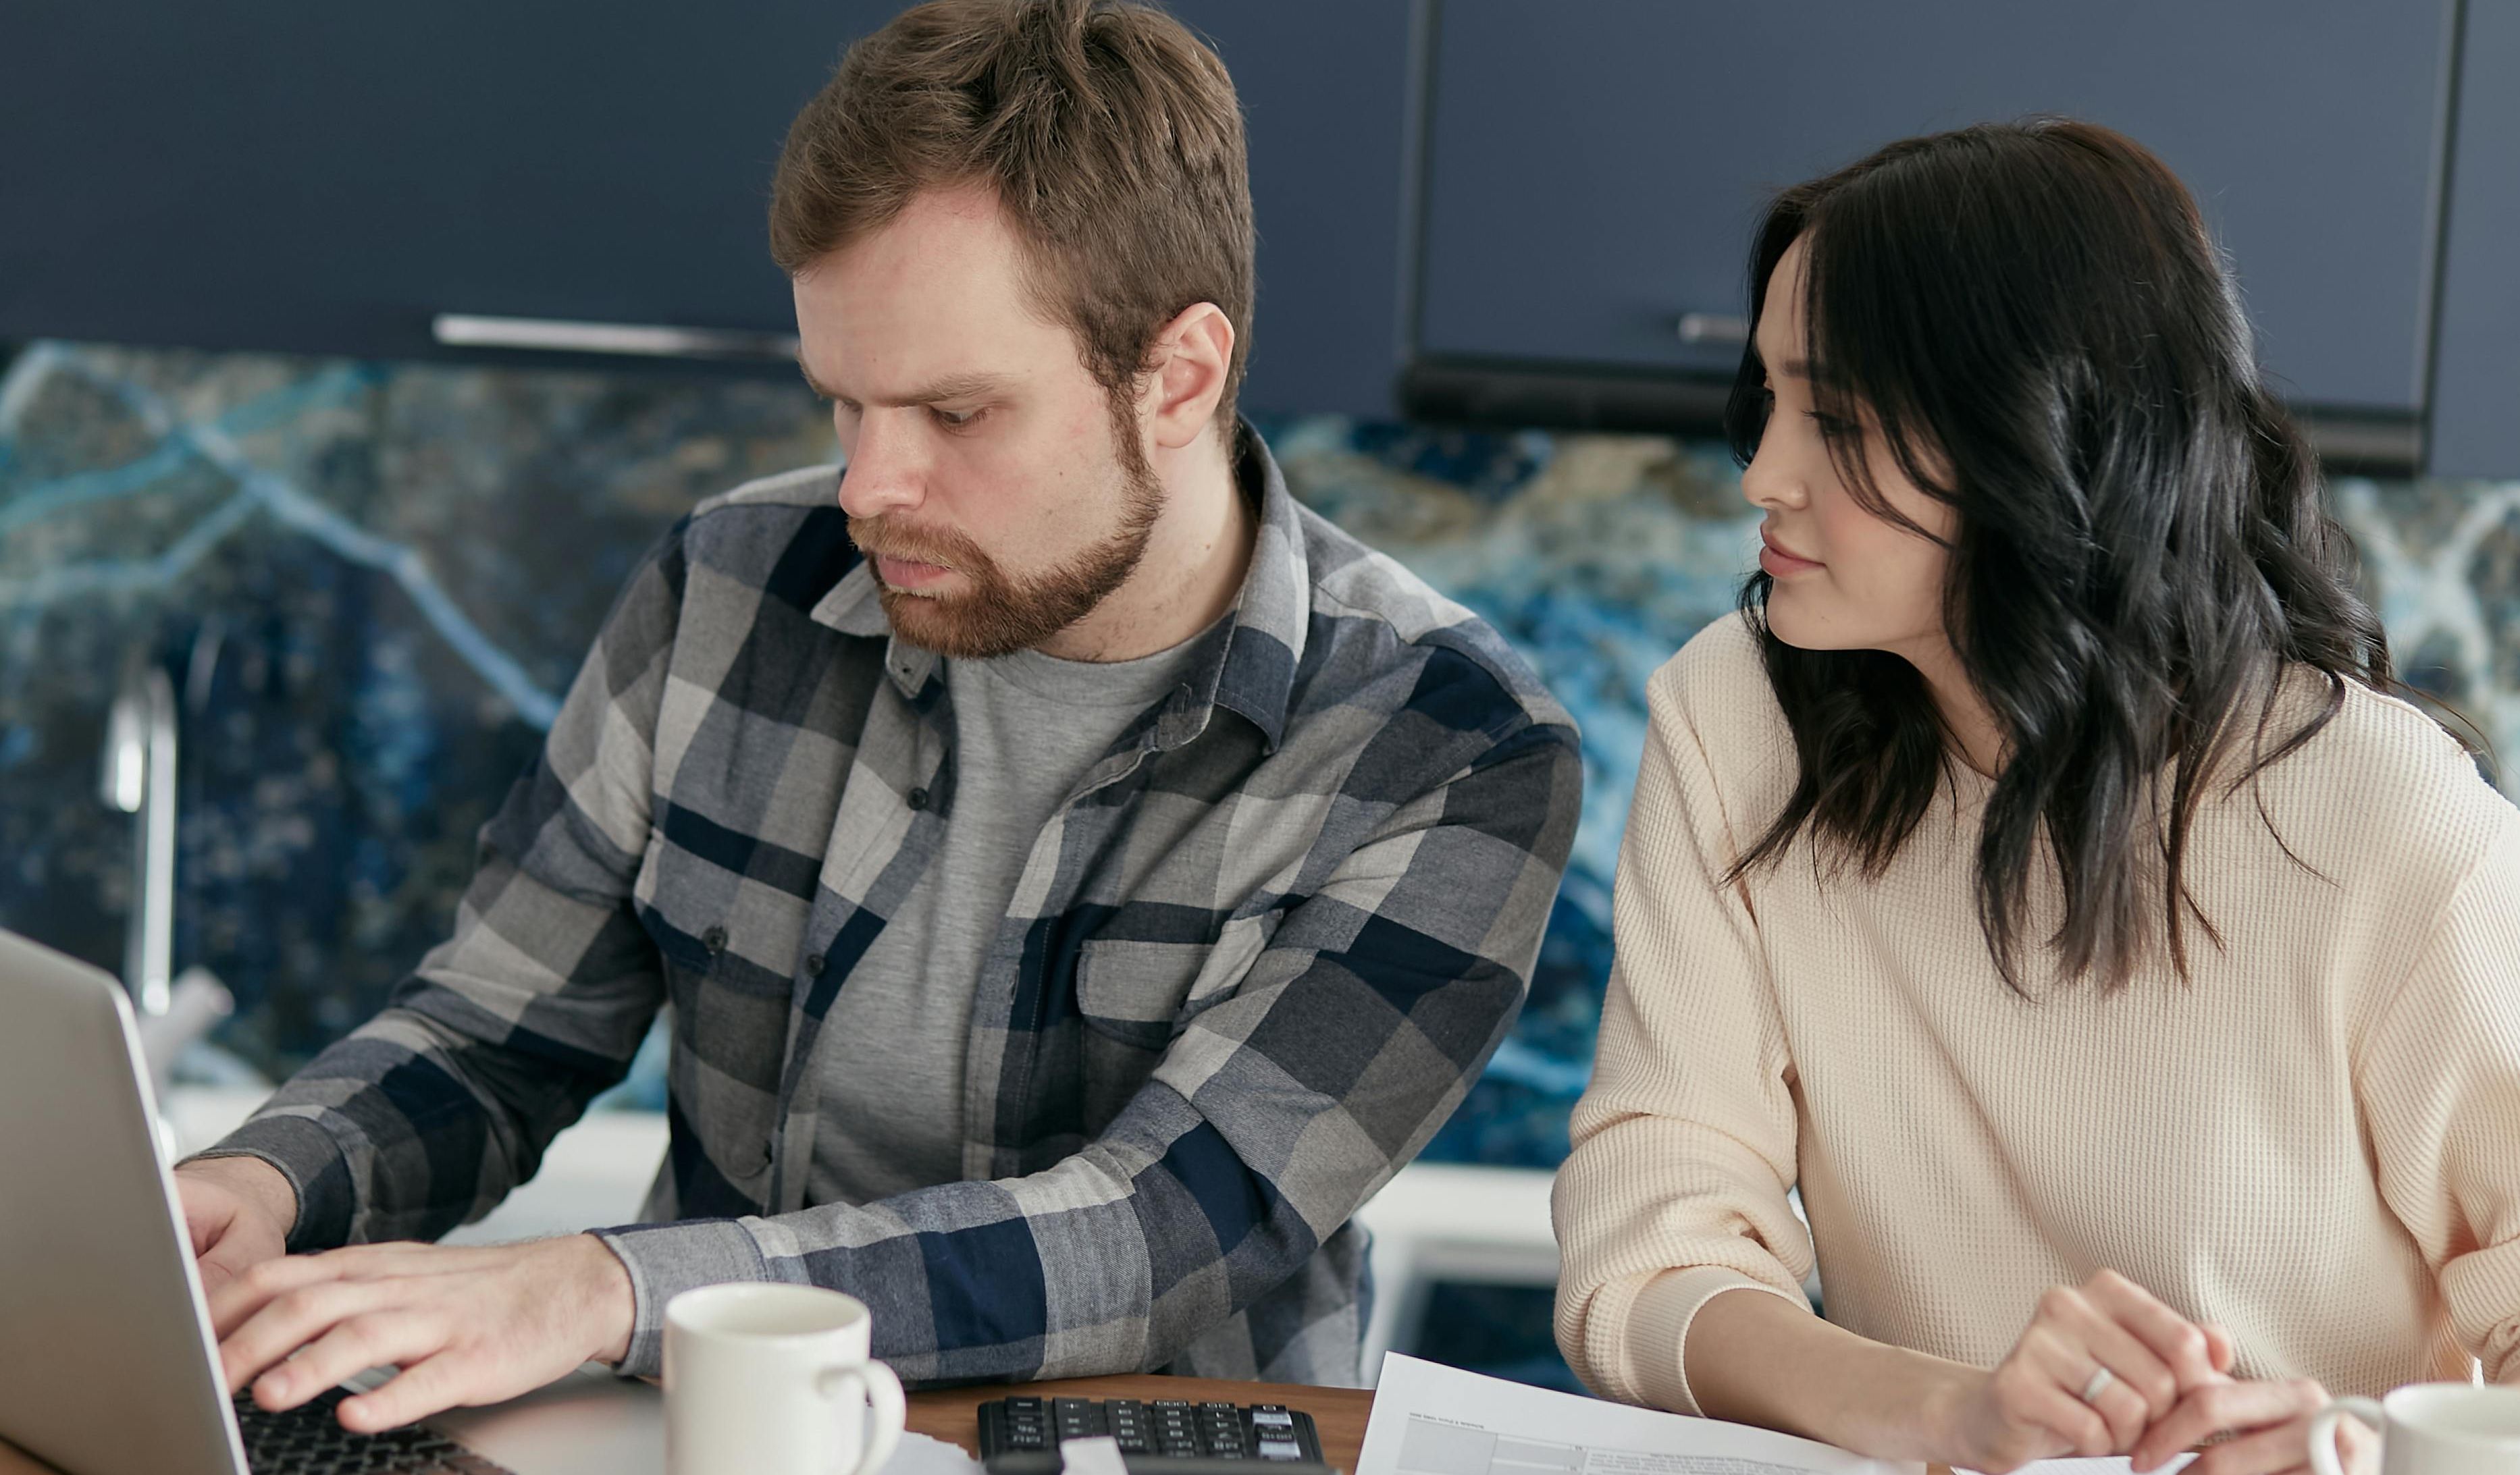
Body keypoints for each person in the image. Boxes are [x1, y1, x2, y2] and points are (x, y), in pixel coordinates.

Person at [176, 0, 1581, 1434]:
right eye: (841, 403)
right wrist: (270, 1179)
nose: (864, 488)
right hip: (713, 1445)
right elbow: (498, 1030)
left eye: (954, 416)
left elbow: (1163, 1228)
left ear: (1177, 377)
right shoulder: (730, 582)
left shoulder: (1449, 747)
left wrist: (601, 1289)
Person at [1552, 119, 2520, 1475]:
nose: (1763, 471)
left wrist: (2364, 1444)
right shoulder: (1733, 719)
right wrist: (1943, 1407)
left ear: (2038, 438)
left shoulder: (2379, 812)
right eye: (1762, 400)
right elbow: (1645, 1251)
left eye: (1834, 417)